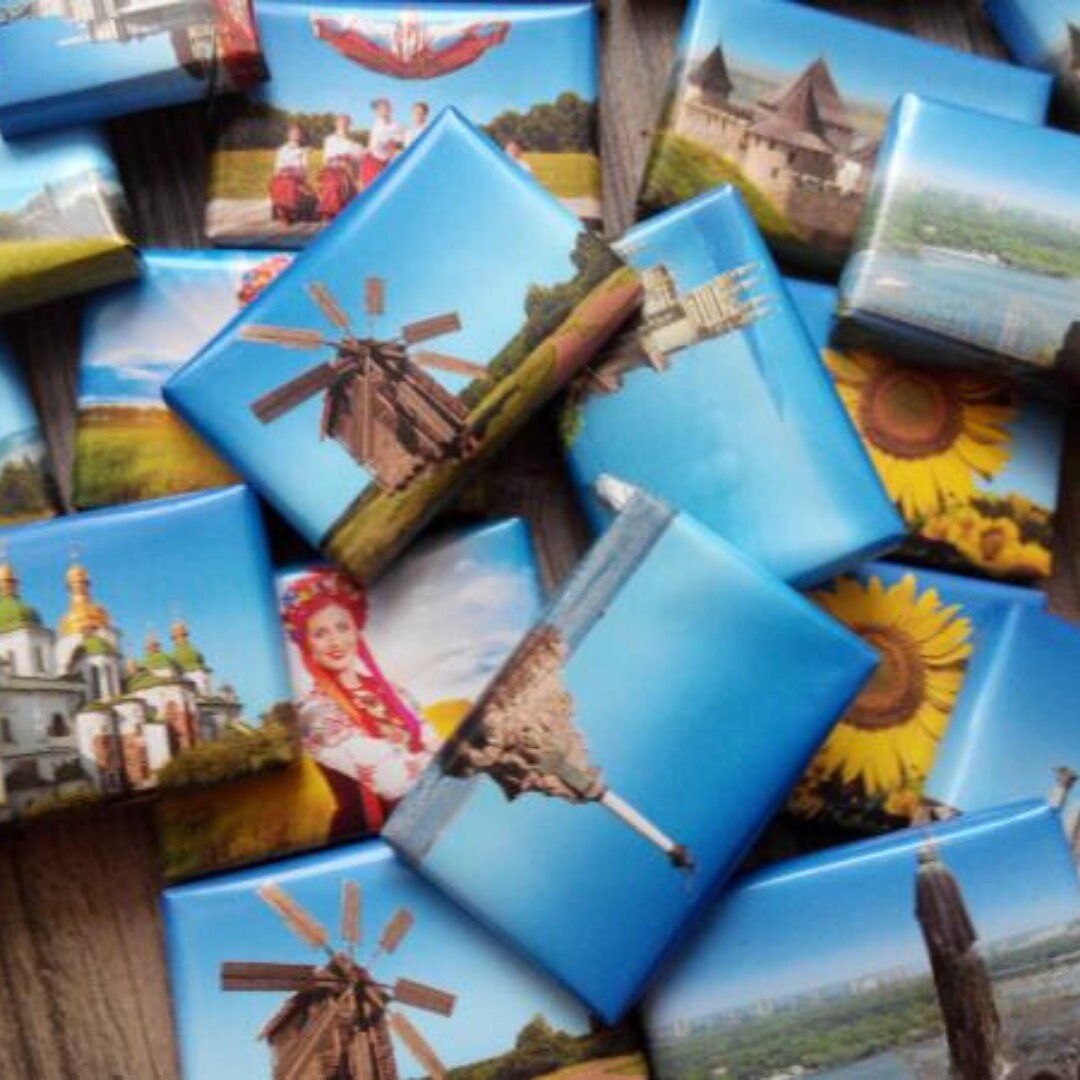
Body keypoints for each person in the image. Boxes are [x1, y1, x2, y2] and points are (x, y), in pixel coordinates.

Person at [281, 568, 439, 836]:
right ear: (307, 644)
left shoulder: (394, 693)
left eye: (342, 627)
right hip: (367, 837)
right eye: (320, 633)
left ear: (356, 630)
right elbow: (393, 781)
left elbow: (436, 744)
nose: (335, 641)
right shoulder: (314, 713)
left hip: (424, 822)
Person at [318, 114, 363, 220]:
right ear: (336, 124)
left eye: (346, 123)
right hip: (331, 169)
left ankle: (336, 212)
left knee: (339, 181)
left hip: (346, 171)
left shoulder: (352, 144)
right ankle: (330, 211)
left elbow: (356, 164)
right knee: (333, 181)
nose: (343, 124)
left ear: (349, 125)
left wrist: (349, 165)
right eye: (341, 122)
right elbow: (326, 159)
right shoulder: (329, 139)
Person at [270, 123, 316, 223]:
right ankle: (283, 207)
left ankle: (288, 209)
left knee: (290, 182)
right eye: (293, 133)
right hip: (282, 173)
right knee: (277, 182)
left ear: (300, 136)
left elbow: (304, 168)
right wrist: (278, 174)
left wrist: (299, 174)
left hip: (296, 174)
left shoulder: (303, 150)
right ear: (288, 135)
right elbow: (277, 167)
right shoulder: (281, 149)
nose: (295, 135)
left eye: (297, 133)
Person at [360, 97, 405, 187]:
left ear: (390, 109)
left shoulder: (396, 126)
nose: (381, 111)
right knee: (371, 187)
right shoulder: (376, 124)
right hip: (373, 161)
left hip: (387, 163)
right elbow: (372, 145)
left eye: (384, 107)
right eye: (378, 109)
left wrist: (393, 145)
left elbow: (399, 144)